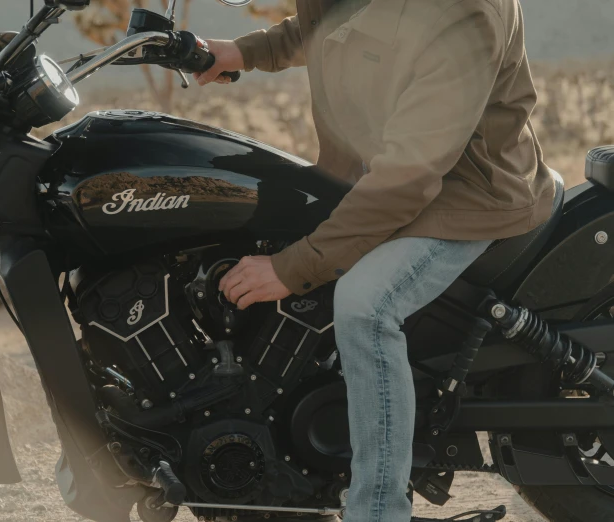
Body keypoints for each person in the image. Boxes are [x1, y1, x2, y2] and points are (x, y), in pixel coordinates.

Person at [195, 0, 556, 521]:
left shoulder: (466, 12)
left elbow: (410, 174)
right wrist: (241, 51)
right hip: (388, 176)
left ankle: (379, 509)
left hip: (466, 197)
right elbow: (332, 21)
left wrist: (293, 269)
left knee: (364, 305)